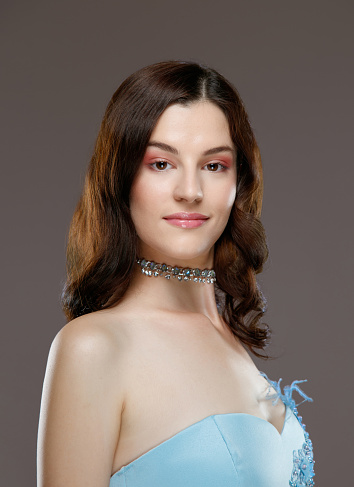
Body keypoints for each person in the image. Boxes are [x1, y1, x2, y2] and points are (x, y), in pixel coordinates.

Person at [36, 61, 315, 487]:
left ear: (239, 182)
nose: (190, 190)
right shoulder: (94, 348)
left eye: (214, 165)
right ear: (121, 177)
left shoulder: (232, 342)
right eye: (162, 164)